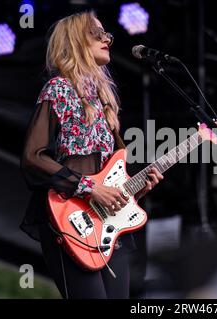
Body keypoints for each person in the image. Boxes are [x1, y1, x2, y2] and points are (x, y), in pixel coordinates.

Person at [20, 11, 163, 299]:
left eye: (107, 33)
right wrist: (90, 188)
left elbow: (108, 174)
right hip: (68, 217)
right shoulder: (59, 89)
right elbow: (33, 158)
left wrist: (134, 190)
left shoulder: (104, 100)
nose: (107, 38)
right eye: (96, 33)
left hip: (108, 225)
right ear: (75, 40)